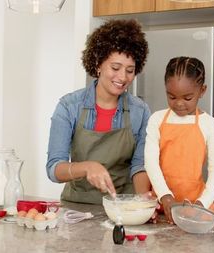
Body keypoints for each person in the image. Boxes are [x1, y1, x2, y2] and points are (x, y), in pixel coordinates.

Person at [46, 19, 152, 204]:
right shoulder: (69, 106)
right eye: (115, 67)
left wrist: (143, 200)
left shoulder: (140, 111)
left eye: (130, 70)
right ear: (98, 64)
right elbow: (54, 169)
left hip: (122, 208)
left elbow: (139, 165)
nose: (122, 77)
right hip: (77, 208)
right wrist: (87, 168)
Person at [144, 56, 214, 224]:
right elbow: (150, 162)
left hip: (198, 210)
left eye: (187, 98)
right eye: (172, 97)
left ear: (202, 91)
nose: (179, 104)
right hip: (161, 207)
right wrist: (165, 196)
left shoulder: (210, 124)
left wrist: (201, 204)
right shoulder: (156, 120)